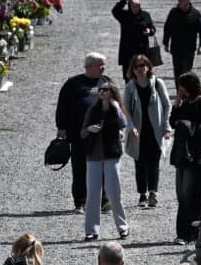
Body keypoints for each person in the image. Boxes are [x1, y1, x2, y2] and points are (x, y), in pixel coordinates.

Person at [54, 53, 110, 213]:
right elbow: (62, 106)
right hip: (79, 134)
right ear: (89, 66)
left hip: (101, 135)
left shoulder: (106, 82)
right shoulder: (73, 83)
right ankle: (80, 201)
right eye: (100, 64)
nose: (103, 67)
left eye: (104, 64)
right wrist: (61, 126)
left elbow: (116, 104)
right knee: (80, 168)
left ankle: (104, 200)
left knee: (103, 168)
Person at [169, 72, 201, 244]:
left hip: (196, 155)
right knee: (184, 194)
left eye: (181, 86)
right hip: (182, 154)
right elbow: (172, 122)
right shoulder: (185, 102)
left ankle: (184, 233)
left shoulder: (200, 102)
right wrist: (176, 104)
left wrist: (189, 127)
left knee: (189, 195)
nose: (179, 89)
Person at [78, 79, 130, 241]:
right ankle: (91, 230)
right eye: (100, 90)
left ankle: (123, 227)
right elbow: (82, 133)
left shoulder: (116, 109)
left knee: (114, 192)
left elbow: (123, 124)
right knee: (93, 193)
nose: (101, 92)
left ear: (112, 92)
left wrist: (116, 107)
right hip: (93, 156)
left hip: (111, 156)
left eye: (105, 90)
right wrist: (89, 129)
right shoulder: (93, 110)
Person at [123, 54, 171, 211]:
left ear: (148, 67)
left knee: (154, 162)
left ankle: (153, 193)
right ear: (133, 69)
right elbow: (126, 109)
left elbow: (166, 106)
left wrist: (166, 126)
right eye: (136, 67)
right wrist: (131, 126)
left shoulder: (158, 83)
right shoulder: (130, 86)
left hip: (154, 129)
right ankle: (142, 194)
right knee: (139, 161)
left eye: (142, 66)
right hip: (138, 129)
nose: (139, 69)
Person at [111, 0, 158, 79]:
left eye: (138, 6)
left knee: (144, 75)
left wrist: (150, 31)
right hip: (128, 51)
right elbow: (115, 10)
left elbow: (152, 28)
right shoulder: (124, 15)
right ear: (130, 6)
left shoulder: (145, 15)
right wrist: (125, 0)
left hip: (142, 50)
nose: (136, 8)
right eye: (134, 6)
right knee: (129, 77)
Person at [161, 0, 201, 79]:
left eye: (181, 0)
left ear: (188, 1)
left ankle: (186, 92)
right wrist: (166, 43)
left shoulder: (195, 13)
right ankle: (179, 92)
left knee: (186, 72)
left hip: (189, 48)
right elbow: (167, 28)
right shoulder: (173, 12)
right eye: (178, 0)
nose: (179, 2)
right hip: (176, 48)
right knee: (177, 71)